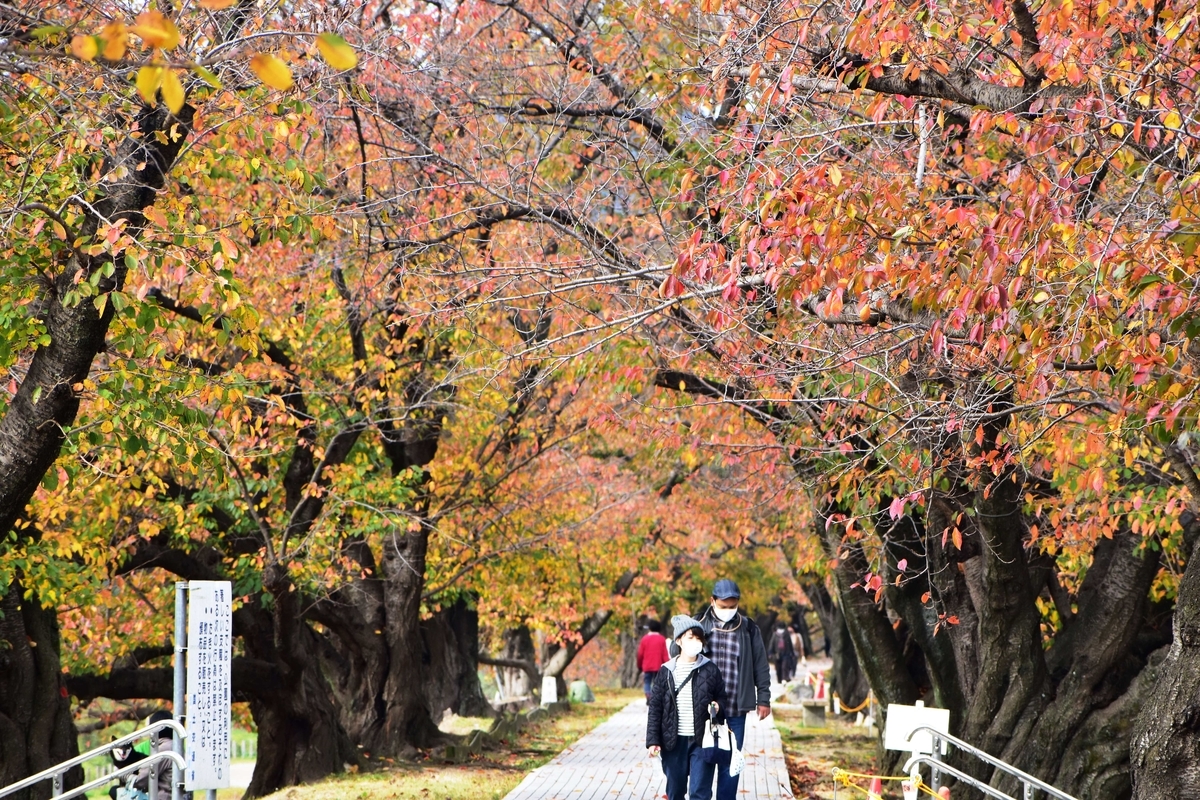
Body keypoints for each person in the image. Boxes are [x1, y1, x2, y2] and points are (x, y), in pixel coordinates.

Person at [696, 579, 771, 800]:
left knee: (731, 764)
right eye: (723, 606)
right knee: (703, 760)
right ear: (712, 601)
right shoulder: (698, 623)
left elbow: (761, 665)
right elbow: (678, 654)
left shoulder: (748, 628)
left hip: (736, 709)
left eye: (732, 606)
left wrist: (763, 699)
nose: (728, 610)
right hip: (703, 709)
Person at [646, 616, 728, 800]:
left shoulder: (710, 669)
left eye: (699, 638)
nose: (695, 642)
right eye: (691, 637)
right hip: (672, 742)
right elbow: (655, 708)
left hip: (702, 740)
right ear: (679, 641)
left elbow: (722, 698)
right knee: (675, 792)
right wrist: (653, 740)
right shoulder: (666, 671)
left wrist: (718, 706)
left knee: (699, 792)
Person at [637, 619, 671, 701]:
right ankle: (654, 697)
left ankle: (648, 695)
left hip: (647, 665)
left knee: (647, 681)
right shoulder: (661, 639)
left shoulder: (644, 639)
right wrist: (668, 665)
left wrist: (639, 665)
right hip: (658, 665)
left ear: (650, 628)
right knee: (656, 682)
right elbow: (664, 654)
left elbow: (640, 654)